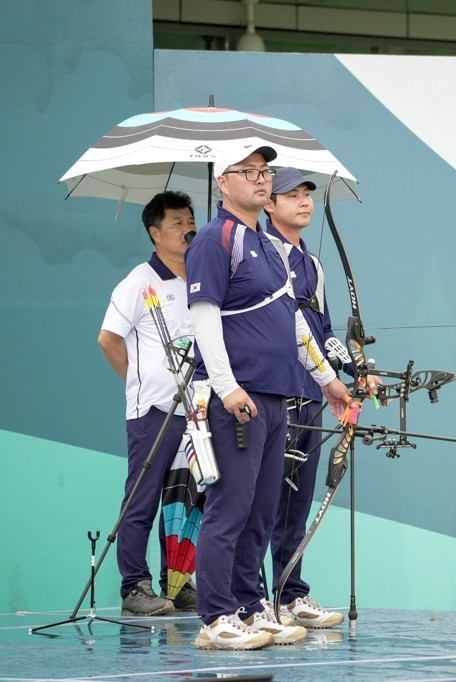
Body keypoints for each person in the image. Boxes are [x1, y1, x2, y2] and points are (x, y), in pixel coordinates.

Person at [185, 143, 353, 651]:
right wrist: (227, 386)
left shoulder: (265, 244)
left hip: (278, 396)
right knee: (230, 507)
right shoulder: (217, 239)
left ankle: (248, 606)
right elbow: (204, 316)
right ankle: (216, 617)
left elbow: (295, 324)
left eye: (266, 172)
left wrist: (325, 378)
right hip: (242, 396)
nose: (262, 180)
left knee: (260, 509)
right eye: (249, 172)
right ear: (223, 182)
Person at [98, 191, 198, 616]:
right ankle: (133, 586)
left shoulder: (202, 277)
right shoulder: (139, 280)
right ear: (155, 233)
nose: (187, 228)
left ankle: (177, 582)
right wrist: (140, 381)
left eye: (190, 220)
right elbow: (108, 339)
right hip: (154, 411)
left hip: (199, 410)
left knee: (185, 499)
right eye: (177, 222)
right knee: (142, 499)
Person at [263, 167, 351, 628]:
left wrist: (355, 368)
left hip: (312, 397)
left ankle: (291, 593)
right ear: (268, 204)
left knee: (298, 502)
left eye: (306, 195)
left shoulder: (312, 264)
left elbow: (325, 329)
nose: (303, 202)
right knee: (265, 500)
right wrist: (328, 376)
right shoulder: (263, 254)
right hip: (276, 394)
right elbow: (286, 327)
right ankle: (258, 598)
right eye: (290, 195)